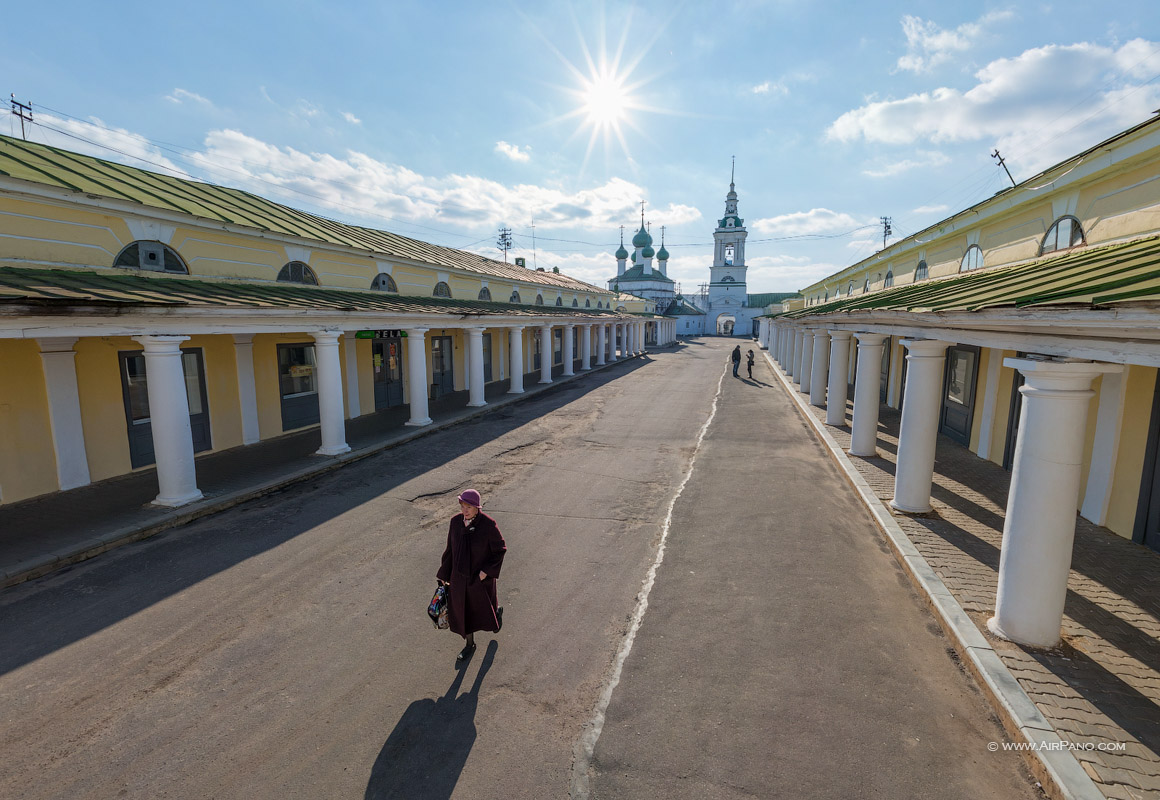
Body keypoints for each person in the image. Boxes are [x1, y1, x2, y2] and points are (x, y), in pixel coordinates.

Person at [437, 489, 506, 664]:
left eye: (469, 506)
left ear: (477, 508)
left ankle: (496, 614)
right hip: (459, 579)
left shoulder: (488, 525)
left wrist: (485, 572)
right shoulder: (455, 523)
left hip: (479, 579)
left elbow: (499, 551)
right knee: (462, 613)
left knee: (483, 611)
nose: (465, 510)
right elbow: (450, 550)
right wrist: (445, 575)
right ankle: (470, 645)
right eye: (462, 506)